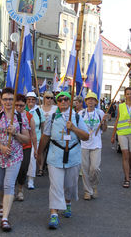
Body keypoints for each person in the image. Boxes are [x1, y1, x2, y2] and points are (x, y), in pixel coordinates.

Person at [37, 92, 89, 230]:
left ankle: (68, 203)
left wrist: (73, 128)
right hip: (55, 155)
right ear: (57, 102)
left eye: (66, 99)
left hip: (73, 155)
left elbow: (86, 136)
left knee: (70, 184)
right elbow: (45, 137)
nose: (63, 101)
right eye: (60, 100)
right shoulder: (53, 118)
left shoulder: (77, 117)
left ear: (70, 101)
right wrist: (39, 153)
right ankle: (54, 213)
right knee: (55, 185)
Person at [0, 87, 30, 232]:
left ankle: (5, 218)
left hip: (15, 156)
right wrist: (0, 147)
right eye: (5, 99)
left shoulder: (20, 117)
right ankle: (2, 204)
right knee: (0, 186)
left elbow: (26, 138)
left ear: (14, 100)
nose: (8, 102)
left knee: (9, 185)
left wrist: (16, 133)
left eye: (11, 99)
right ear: (1, 100)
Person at [79, 92, 107, 200]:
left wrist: (104, 122)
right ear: (85, 102)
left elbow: (104, 129)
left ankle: (94, 185)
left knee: (94, 168)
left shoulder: (100, 113)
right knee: (84, 169)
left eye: (93, 99)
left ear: (96, 102)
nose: (90, 101)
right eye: (88, 99)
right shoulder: (81, 114)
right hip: (84, 144)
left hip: (96, 144)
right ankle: (87, 191)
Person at [15, 94, 37, 201]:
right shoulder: (9, 115)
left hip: (26, 146)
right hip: (13, 146)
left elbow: (33, 133)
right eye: (17, 105)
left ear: (25, 106)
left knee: (24, 168)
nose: (19, 107)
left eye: (22, 105)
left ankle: (20, 189)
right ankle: (10, 189)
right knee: (13, 168)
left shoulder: (29, 116)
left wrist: (36, 149)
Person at [25, 92, 44, 189]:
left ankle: (31, 180)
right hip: (23, 139)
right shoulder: (23, 110)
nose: (31, 101)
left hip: (35, 140)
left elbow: (43, 126)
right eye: (29, 99)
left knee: (32, 159)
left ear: (36, 100)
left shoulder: (39, 111)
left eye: (33, 99)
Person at [38, 91, 58, 176]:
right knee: (41, 150)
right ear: (44, 98)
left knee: (50, 150)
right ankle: (40, 168)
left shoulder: (56, 108)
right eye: (47, 97)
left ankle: (51, 167)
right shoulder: (39, 107)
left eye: (51, 98)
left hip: (52, 133)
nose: (49, 99)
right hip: (41, 132)